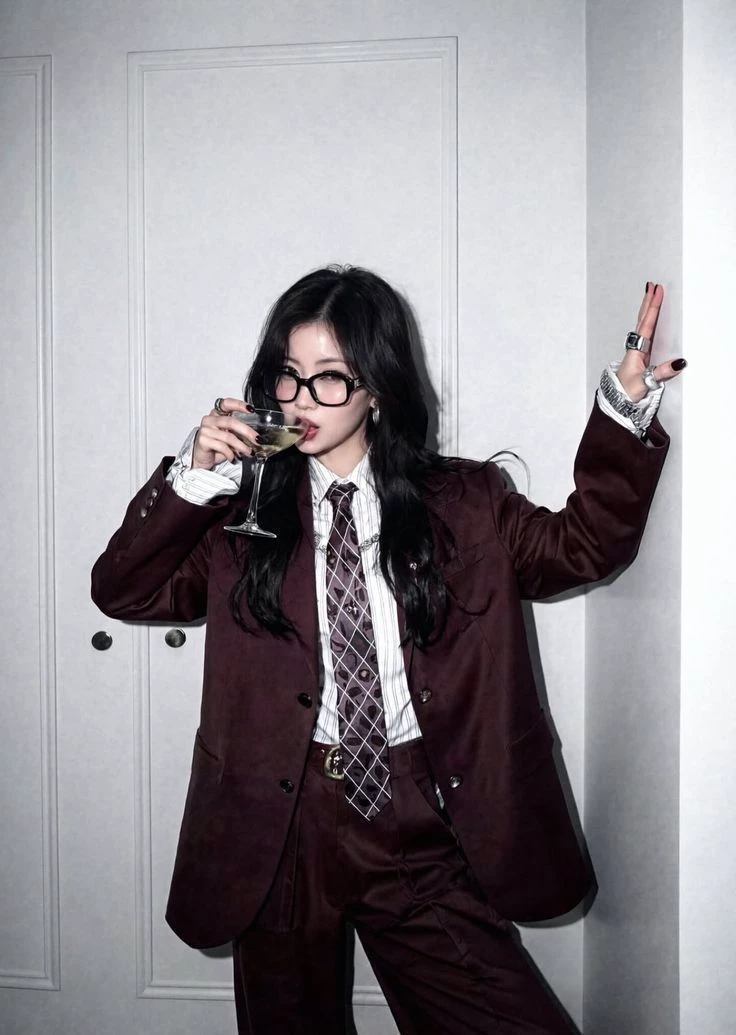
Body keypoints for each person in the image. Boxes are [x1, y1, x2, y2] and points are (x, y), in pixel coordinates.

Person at [91, 267, 684, 1034]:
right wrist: (193, 478)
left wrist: (622, 411)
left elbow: (583, 546)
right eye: (289, 374)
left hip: (414, 815)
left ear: (376, 387)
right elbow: (124, 589)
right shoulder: (240, 515)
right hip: (278, 822)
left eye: (331, 377)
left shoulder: (465, 502)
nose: (302, 400)